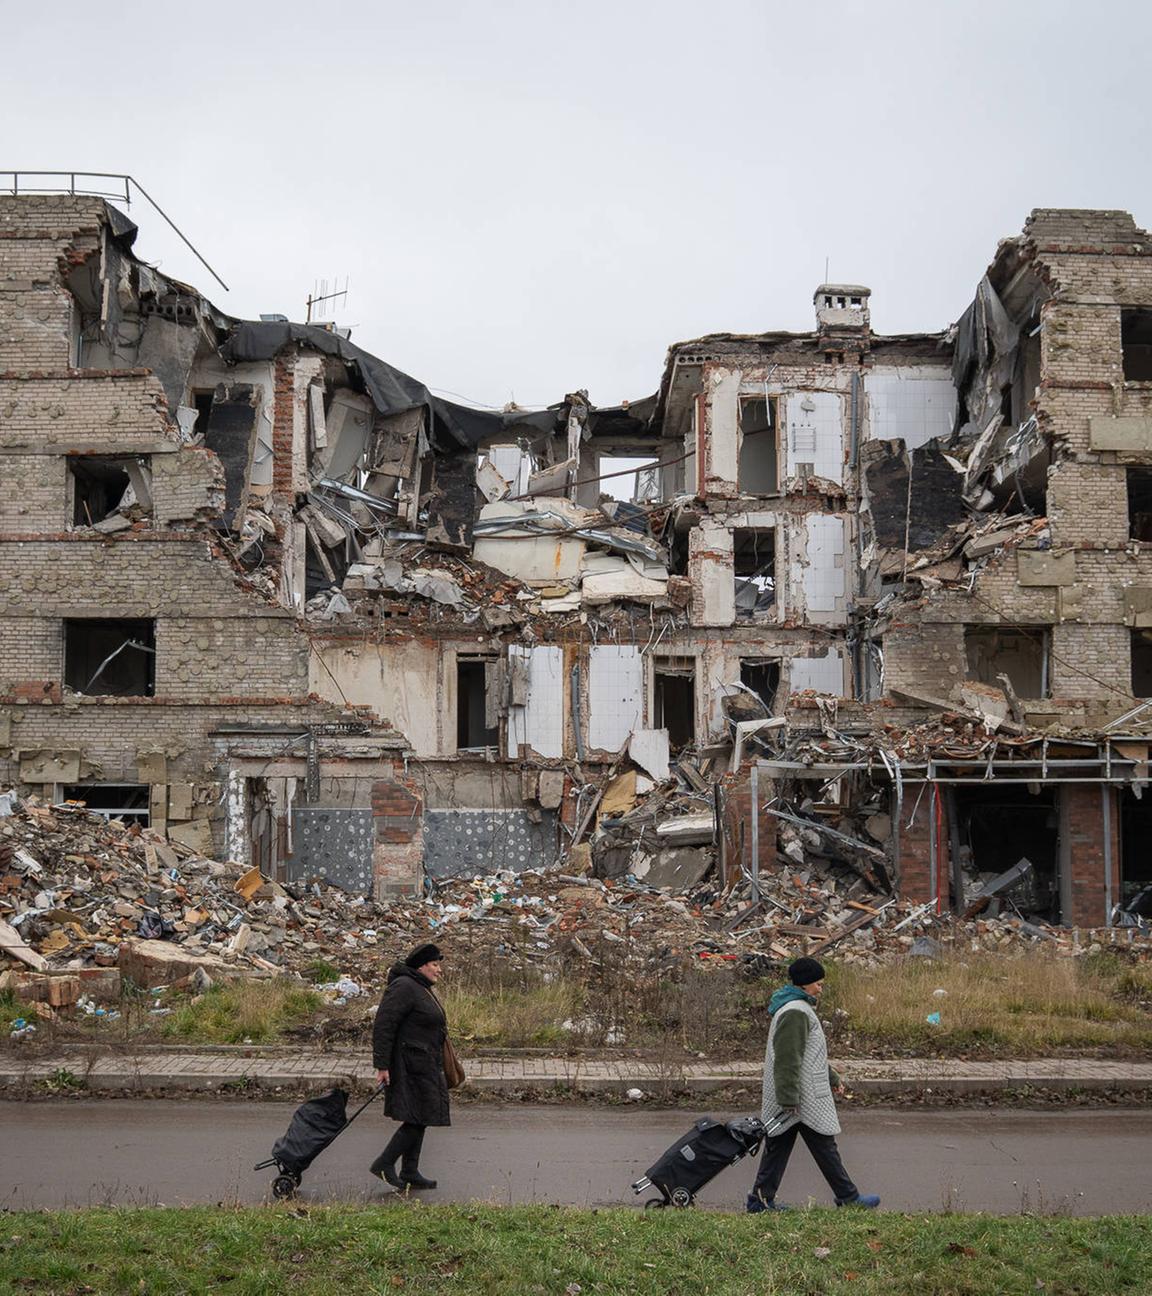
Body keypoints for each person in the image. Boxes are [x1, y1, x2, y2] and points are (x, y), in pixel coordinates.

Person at [747, 956, 880, 1213]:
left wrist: (832, 1079)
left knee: (781, 1147)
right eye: (818, 984)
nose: (821, 988)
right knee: (823, 1147)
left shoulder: (797, 1008)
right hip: (800, 1097)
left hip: (799, 1094)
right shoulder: (795, 1011)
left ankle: (759, 1201)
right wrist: (788, 1099)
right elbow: (788, 1058)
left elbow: (810, 1055)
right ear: (805, 985)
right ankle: (849, 1197)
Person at [369, 942, 450, 1190]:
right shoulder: (404, 987)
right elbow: (384, 1025)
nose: (439, 970)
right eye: (435, 965)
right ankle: (384, 1163)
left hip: (423, 1062)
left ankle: (410, 1170)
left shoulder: (418, 986)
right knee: (420, 1115)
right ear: (422, 965)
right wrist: (382, 1066)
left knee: (420, 1116)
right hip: (409, 1065)